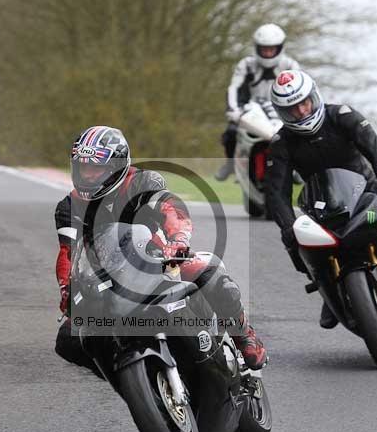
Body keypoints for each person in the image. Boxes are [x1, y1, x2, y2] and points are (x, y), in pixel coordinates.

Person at [54, 125, 268, 371]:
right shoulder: (70, 206)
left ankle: (244, 336)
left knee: (211, 274)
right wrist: (66, 287)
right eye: (83, 167)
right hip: (107, 278)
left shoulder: (142, 182)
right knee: (67, 340)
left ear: (116, 166)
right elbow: (67, 253)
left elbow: (171, 209)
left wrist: (177, 241)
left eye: (96, 168)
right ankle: (122, 371)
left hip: (159, 261)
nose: (88, 175)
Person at [266, 69, 377, 329]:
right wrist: (287, 226)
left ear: (315, 97)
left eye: (305, 103)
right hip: (323, 207)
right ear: (283, 113)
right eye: (294, 109)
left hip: (366, 191)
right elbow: (276, 191)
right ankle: (328, 288)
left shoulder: (342, 116)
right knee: (296, 240)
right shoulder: (281, 142)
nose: (302, 112)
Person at [215, 23, 300, 181]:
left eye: (271, 49)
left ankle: (296, 168)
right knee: (231, 132)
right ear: (257, 48)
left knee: (298, 134)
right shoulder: (246, 64)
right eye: (264, 49)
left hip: (281, 110)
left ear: (280, 48)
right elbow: (234, 88)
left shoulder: (290, 65)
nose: (268, 53)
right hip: (252, 109)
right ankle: (231, 163)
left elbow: (299, 90)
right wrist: (233, 110)